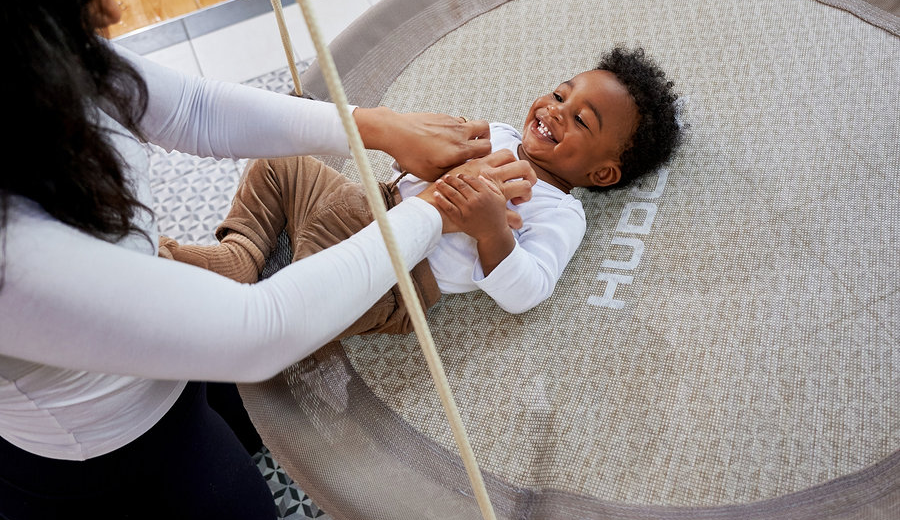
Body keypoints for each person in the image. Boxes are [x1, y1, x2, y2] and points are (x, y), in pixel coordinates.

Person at [0, 0, 535, 520]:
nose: (114, 12)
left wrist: (371, 126)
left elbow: (192, 106)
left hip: (153, 356)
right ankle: (34, 503)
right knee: (245, 519)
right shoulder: (12, 252)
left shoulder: (51, 67)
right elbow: (261, 330)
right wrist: (437, 212)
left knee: (250, 414)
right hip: (100, 452)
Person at [160, 46, 682, 332]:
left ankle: (242, 301)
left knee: (309, 303)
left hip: (396, 278)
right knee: (283, 162)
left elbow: (529, 291)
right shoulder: (497, 133)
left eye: (580, 121)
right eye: (559, 93)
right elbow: (428, 156)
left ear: (603, 173)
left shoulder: (561, 214)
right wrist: (423, 142)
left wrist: (491, 230)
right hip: (367, 205)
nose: (553, 112)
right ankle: (241, 252)